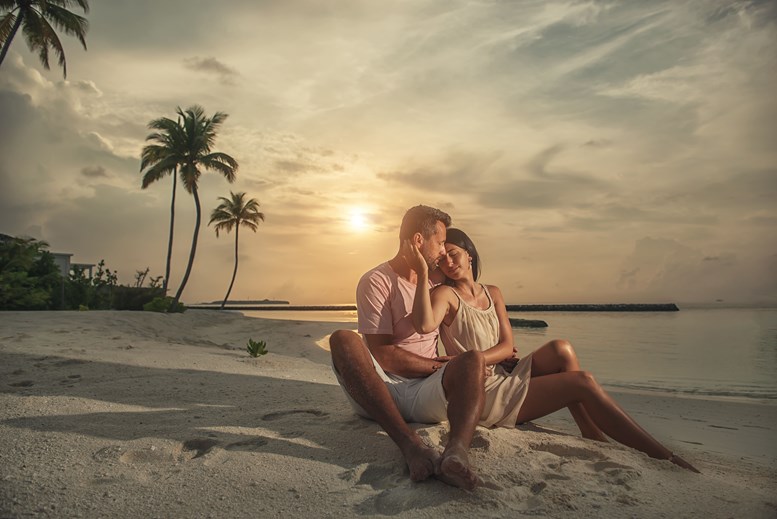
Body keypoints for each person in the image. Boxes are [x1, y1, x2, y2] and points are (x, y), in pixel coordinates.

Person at [403, 227, 699, 473]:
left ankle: (590, 430)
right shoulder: (444, 294)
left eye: (453, 254)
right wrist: (420, 270)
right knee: (581, 382)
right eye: (442, 261)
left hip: (502, 373)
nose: (449, 263)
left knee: (561, 348)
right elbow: (425, 324)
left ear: (469, 254)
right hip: (481, 391)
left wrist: (487, 357)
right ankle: (664, 456)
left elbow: (507, 345)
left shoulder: (493, 292)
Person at [329, 205, 487, 490]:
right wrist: (439, 365)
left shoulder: (438, 282)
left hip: (426, 390)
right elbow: (383, 355)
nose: (443, 251)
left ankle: (456, 453)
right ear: (417, 241)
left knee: (473, 359)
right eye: (439, 243)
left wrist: (492, 359)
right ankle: (411, 445)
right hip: (378, 391)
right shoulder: (376, 281)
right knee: (343, 339)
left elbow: (474, 306)